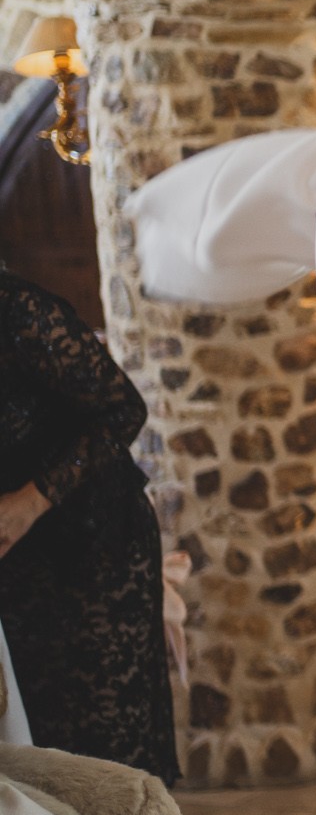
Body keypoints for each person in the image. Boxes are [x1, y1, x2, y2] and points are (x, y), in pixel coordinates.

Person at [0, 270, 179, 784]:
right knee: (36, 749)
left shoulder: (21, 312)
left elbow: (123, 410)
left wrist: (31, 501)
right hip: (15, 557)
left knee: (106, 754)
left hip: (93, 541)